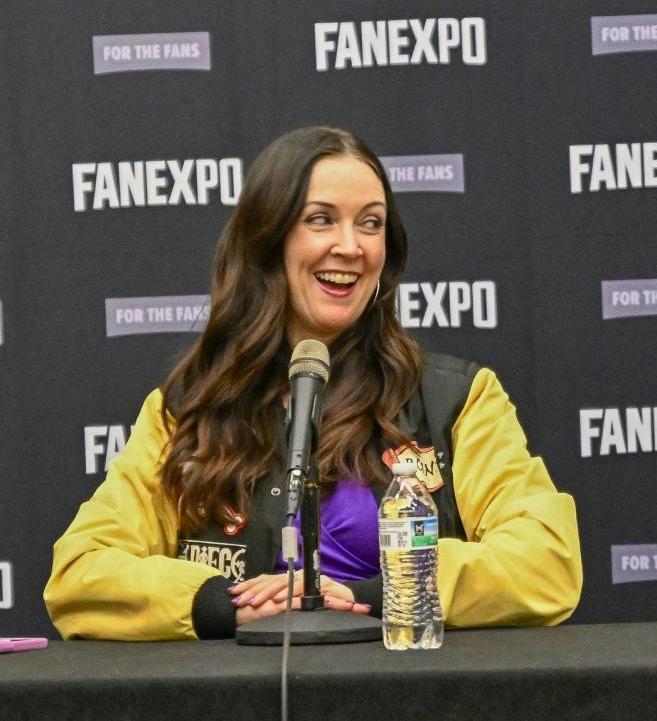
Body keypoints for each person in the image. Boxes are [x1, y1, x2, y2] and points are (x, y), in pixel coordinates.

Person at [46, 127, 583, 639]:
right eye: (321, 219)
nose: (351, 246)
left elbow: (546, 560)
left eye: (371, 223)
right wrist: (226, 604)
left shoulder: (455, 397)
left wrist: (371, 595)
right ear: (268, 239)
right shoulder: (188, 410)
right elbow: (81, 572)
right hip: (234, 713)